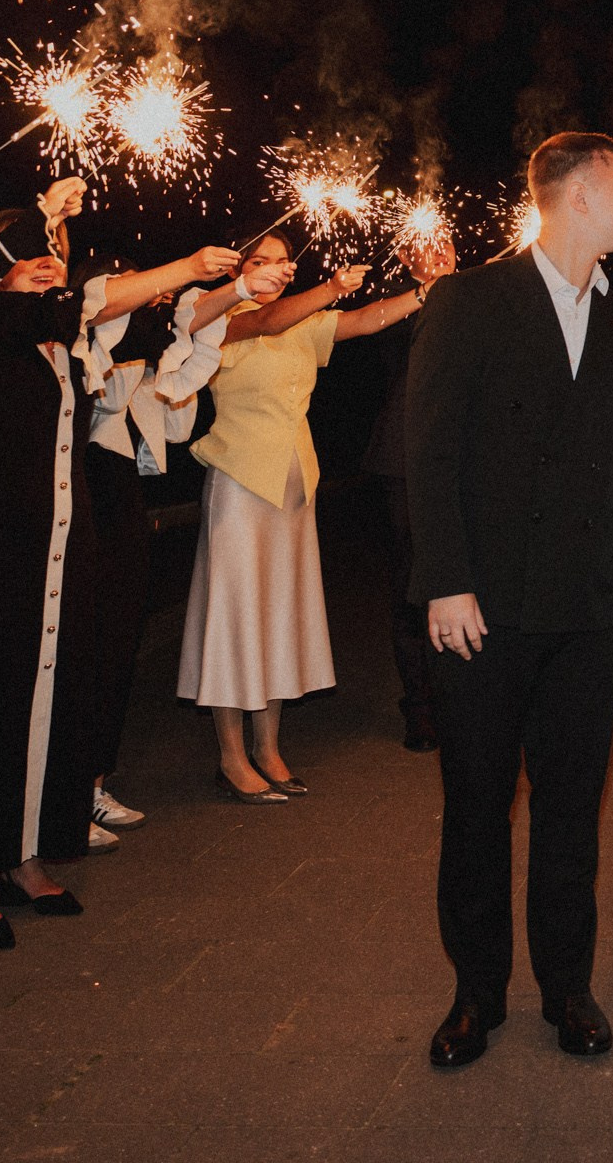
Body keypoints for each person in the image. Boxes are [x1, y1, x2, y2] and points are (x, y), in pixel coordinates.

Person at [404, 132, 613, 1068]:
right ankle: (476, 996)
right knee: (476, 812)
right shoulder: (472, 298)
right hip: (481, 614)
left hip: (587, 616)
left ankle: (570, 991)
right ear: (574, 196)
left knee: (570, 816)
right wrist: (444, 579)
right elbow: (428, 450)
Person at [0, 186, 232, 947]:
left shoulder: (60, 343)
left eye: (48, 259)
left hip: (58, 540)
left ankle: (25, 857)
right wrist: (181, 264)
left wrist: (212, 291)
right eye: (25, 262)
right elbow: (82, 301)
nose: (44, 270)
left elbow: (106, 323)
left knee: (55, 698)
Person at [180, 235, 441, 801]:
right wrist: (329, 288)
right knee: (235, 619)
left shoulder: (303, 322)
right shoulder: (215, 319)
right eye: (259, 261)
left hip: (294, 491)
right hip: (241, 486)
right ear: (240, 271)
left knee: (277, 616)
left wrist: (424, 291)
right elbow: (268, 321)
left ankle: (269, 747)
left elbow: (367, 320)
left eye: (280, 260)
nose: (273, 269)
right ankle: (230, 755)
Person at [78, 250, 244, 838]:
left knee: (117, 638)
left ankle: (92, 786)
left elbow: (174, 411)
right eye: (140, 293)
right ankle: (65, 795)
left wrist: (235, 289)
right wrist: (195, 273)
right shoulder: (79, 335)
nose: (149, 304)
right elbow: (100, 382)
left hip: (120, 496)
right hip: (80, 493)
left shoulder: (136, 354)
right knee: (84, 644)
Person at [360, 237, 458, 753]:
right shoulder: (392, 310)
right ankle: (419, 706)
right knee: (412, 586)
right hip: (404, 460)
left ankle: (463, 697)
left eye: (447, 242)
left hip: (469, 462)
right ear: (405, 260)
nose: (441, 251)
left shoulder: (476, 297)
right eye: (427, 245)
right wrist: (429, 296)